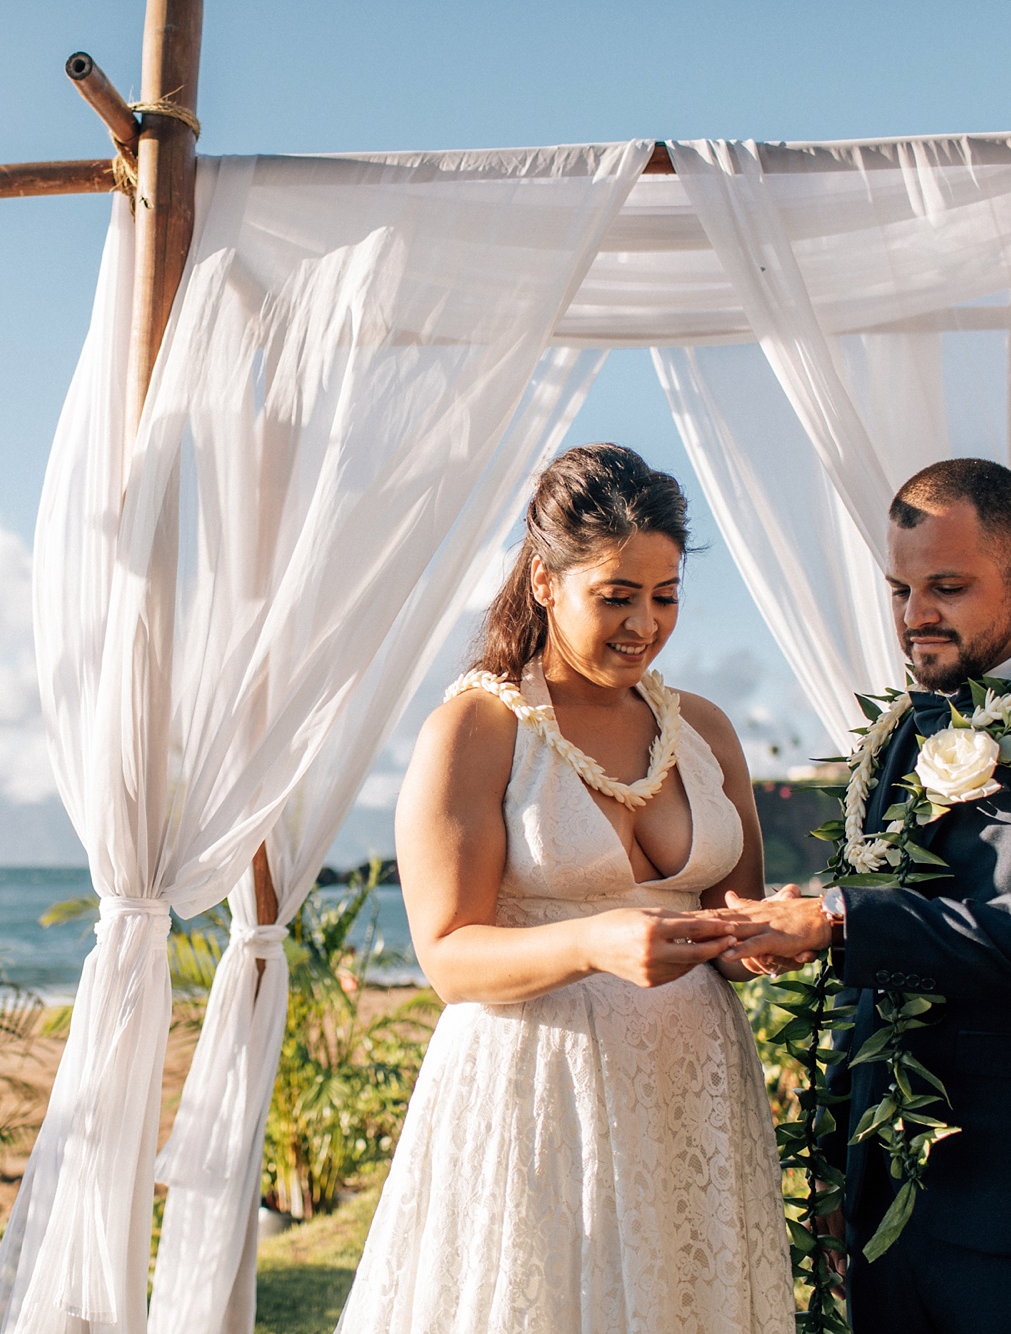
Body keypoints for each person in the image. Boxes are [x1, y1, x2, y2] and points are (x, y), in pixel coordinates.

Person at [720, 458, 1011, 1334]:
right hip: (892, 1216)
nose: (915, 617)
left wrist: (835, 917)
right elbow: (874, 988)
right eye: (900, 589)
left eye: (946, 586)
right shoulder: (901, 734)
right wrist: (840, 1166)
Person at [337, 443, 793, 1334]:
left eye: (665, 596)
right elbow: (448, 957)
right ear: (545, 582)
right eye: (615, 596)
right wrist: (592, 943)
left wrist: (767, 938)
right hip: (539, 1086)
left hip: (692, 1093)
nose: (645, 624)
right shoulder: (476, 727)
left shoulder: (703, 729)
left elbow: (731, 927)